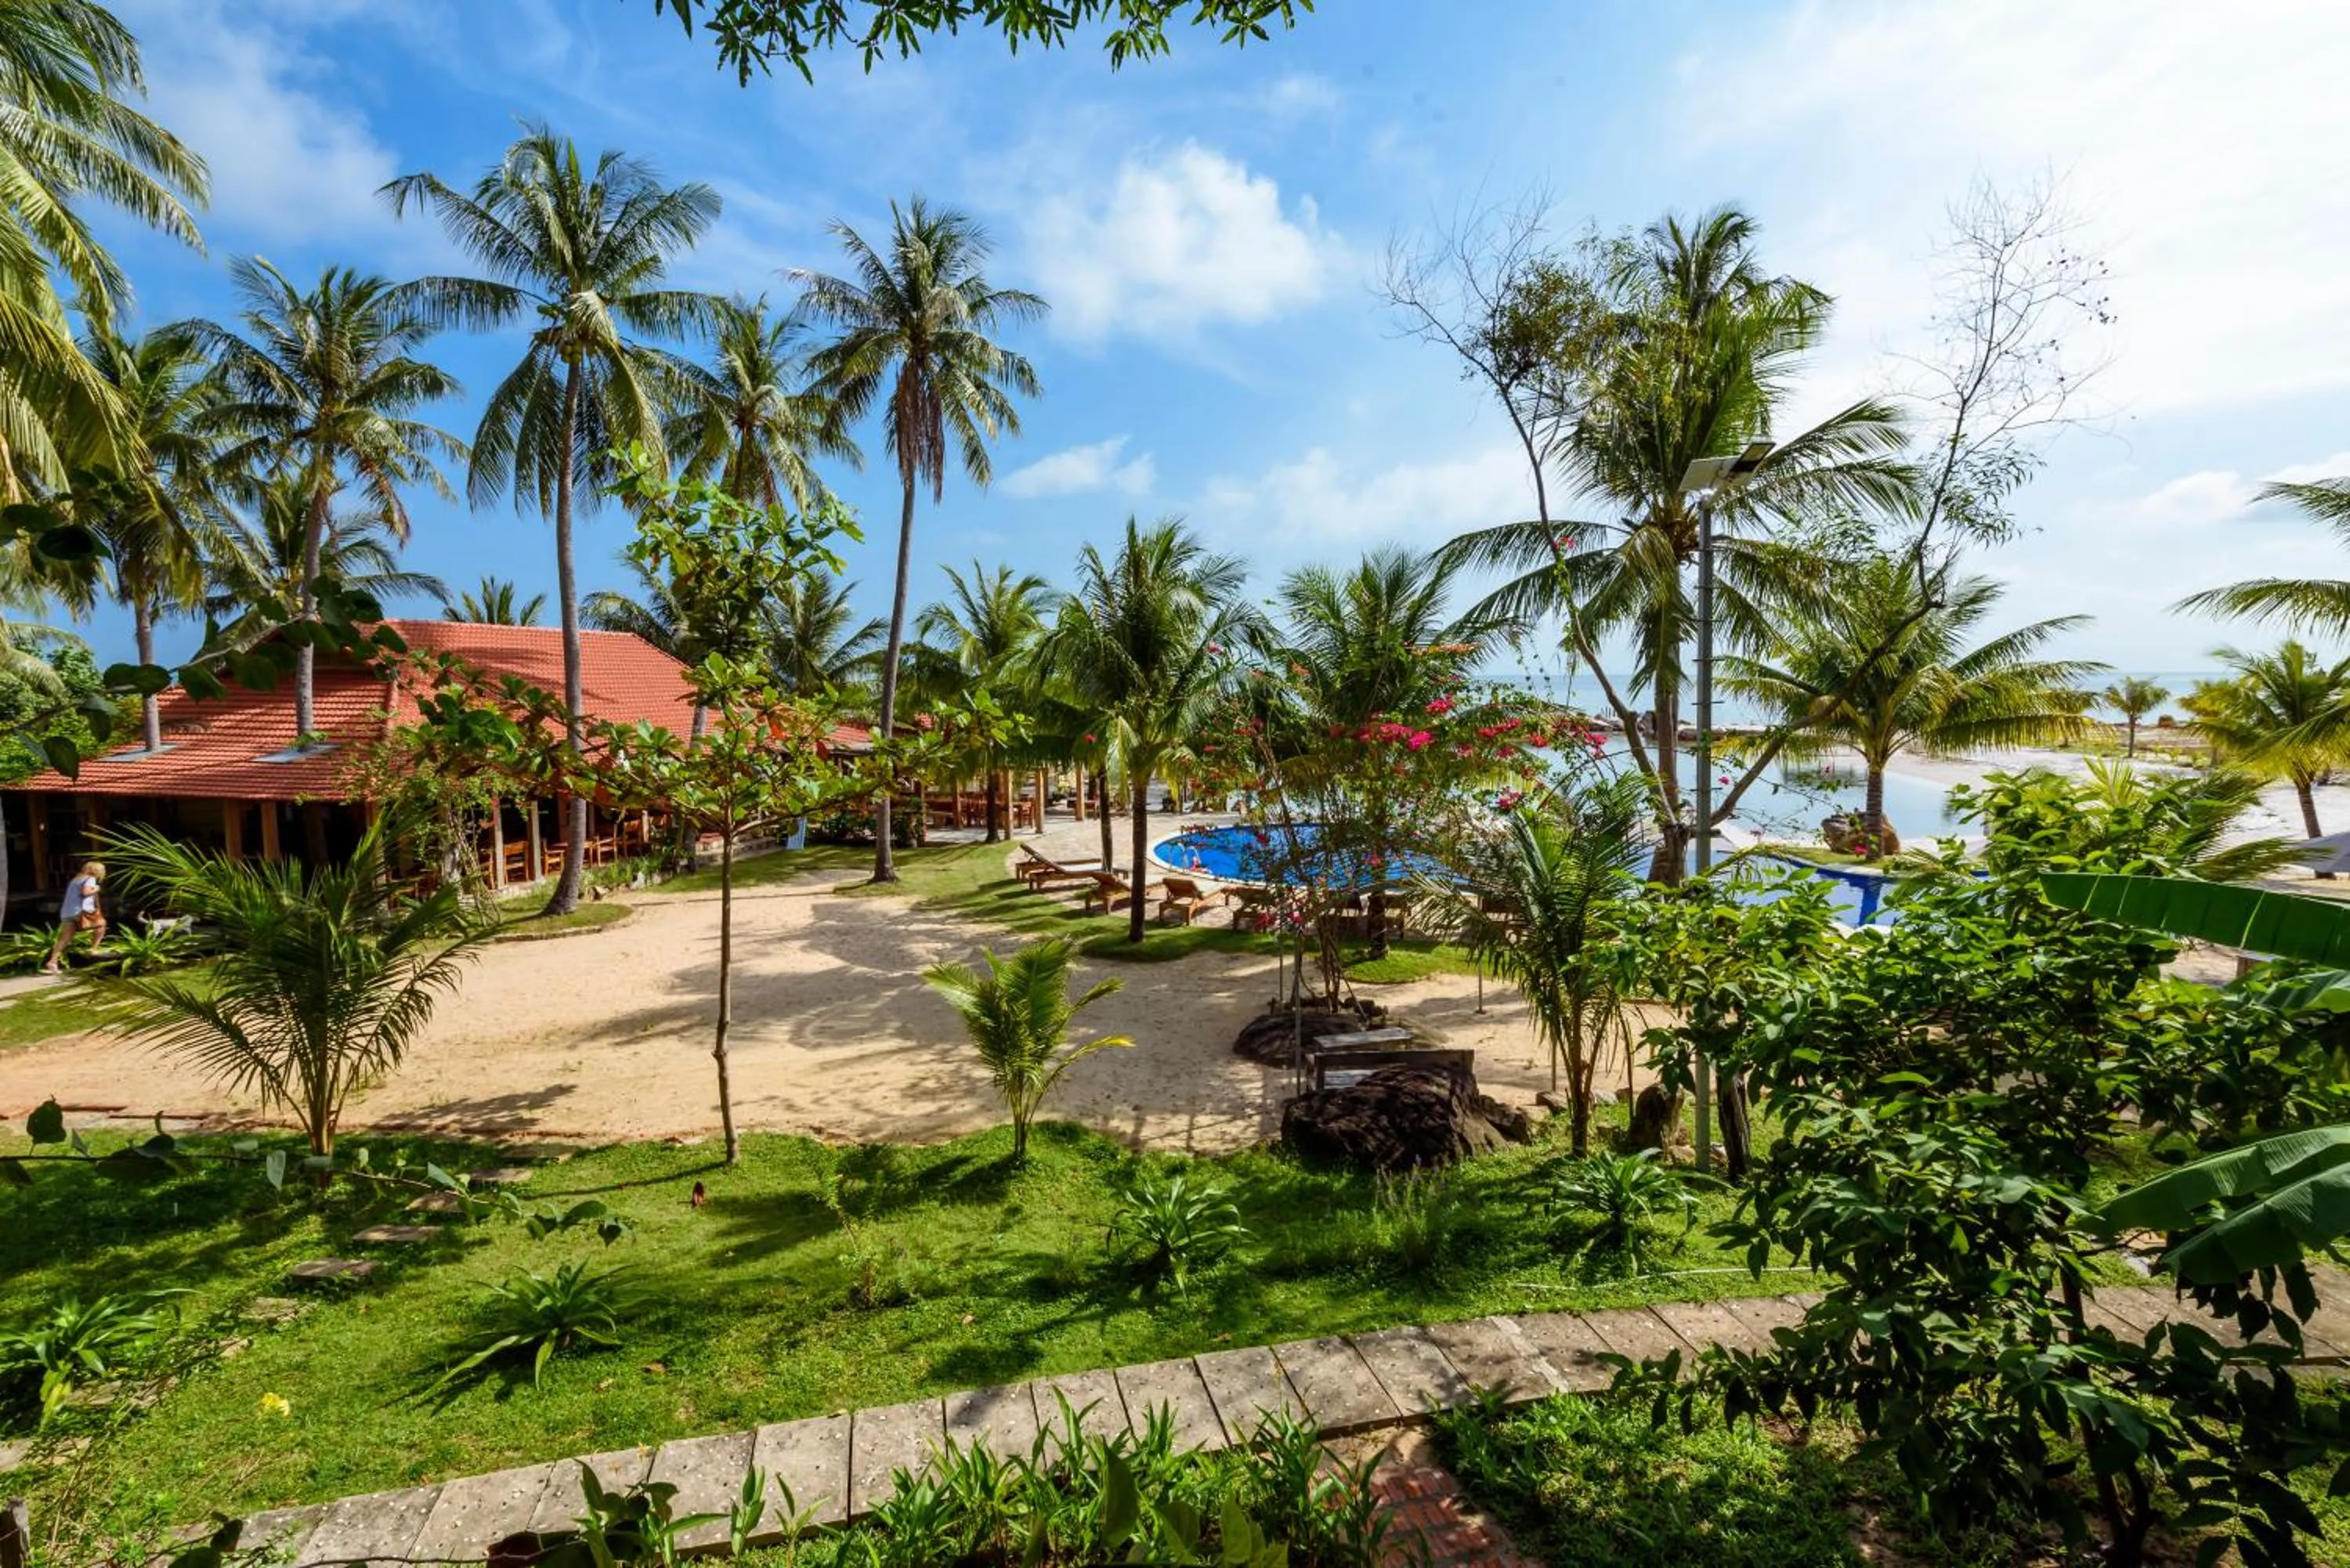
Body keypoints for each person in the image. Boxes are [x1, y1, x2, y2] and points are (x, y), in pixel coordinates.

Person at [42, 860, 105, 974]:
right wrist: (97, 889)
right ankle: (93, 949)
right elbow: (85, 892)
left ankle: (53, 962)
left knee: (65, 938)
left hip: (67, 912)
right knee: (101, 925)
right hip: (80, 912)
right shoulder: (90, 879)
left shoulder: (75, 880)